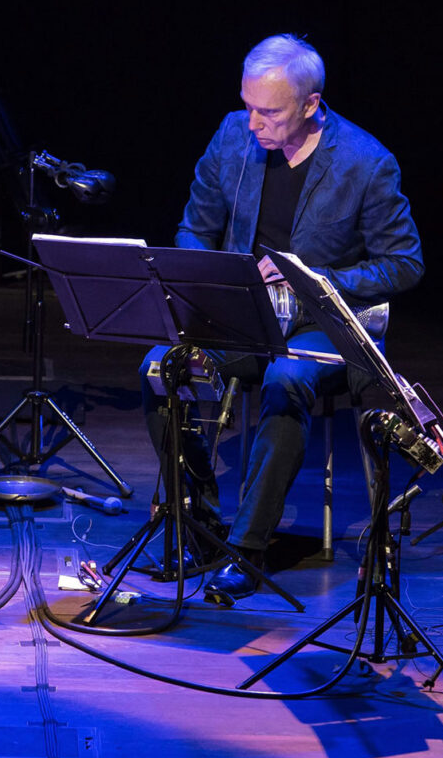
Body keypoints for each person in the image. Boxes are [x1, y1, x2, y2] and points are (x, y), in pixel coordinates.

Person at [141, 34, 423, 602]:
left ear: (310, 105)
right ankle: (199, 518)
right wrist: (203, 280)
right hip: (245, 315)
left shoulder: (367, 162)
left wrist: (314, 279)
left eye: (267, 112)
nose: (252, 123)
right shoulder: (231, 135)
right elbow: (196, 226)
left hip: (323, 323)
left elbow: (405, 263)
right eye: (247, 106)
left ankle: (247, 551)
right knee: (159, 365)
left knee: (287, 379)